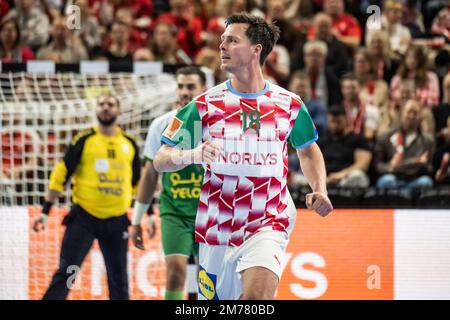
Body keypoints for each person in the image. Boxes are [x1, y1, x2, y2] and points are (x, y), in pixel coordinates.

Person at [153, 12, 333, 300]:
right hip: (216, 229)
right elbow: (161, 159)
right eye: (222, 39)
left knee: (255, 300)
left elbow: (308, 149)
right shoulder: (203, 106)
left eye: (232, 40)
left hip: (268, 222)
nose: (222, 46)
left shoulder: (288, 104)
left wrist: (319, 189)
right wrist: (193, 154)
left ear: (255, 50)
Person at [32, 94, 141, 300]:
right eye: (101, 104)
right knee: (67, 273)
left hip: (117, 221)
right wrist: (45, 211)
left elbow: (139, 183)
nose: (105, 107)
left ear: (118, 111)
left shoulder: (129, 144)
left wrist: (150, 214)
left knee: (119, 279)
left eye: (110, 104)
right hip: (84, 219)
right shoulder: (84, 140)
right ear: (96, 109)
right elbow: (61, 175)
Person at [130, 66, 207, 300]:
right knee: (175, 273)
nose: (184, 92)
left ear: (204, 89)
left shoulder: (215, 123)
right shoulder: (161, 124)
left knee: (208, 281)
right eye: (180, 86)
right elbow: (150, 175)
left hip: (209, 212)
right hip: (175, 211)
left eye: (190, 87)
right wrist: (137, 220)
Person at [375, 99, 435, 190]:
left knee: (426, 182)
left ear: (421, 117)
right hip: (393, 179)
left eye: (415, 113)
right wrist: (389, 168)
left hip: (415, 180)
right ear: (401, 114)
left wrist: (425, 165)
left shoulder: (428, 141)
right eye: (408, 112)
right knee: (386, 181)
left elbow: (431, 169)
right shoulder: (385, 137)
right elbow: (377, 165)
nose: (411, 116)